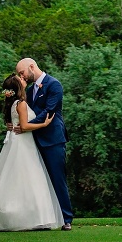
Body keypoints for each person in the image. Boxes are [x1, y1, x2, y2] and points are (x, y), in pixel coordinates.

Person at [0, 74, 64, 231]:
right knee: (30, 177)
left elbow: (15, 123)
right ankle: (32, 218)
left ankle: (19, 217)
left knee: (16, 178)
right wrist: (43, 124)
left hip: (16, 142)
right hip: (23, 143)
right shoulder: (21, 103)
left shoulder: (12, 102)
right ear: (17, 86)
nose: (24, 80)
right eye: (21, 80)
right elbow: (24, 126)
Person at [15, 57, 74, 230]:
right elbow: (24, 110)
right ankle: (44, 218)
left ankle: (66, 219)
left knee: (57, 178)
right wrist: (16, 123)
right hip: (33, 141)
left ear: (32, 67)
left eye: (22, 72)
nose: (22, 77)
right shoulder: (31, 89)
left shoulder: (54, 85)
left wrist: (26, 127)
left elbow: (49, 112)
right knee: (38, 181)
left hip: (53, 140)